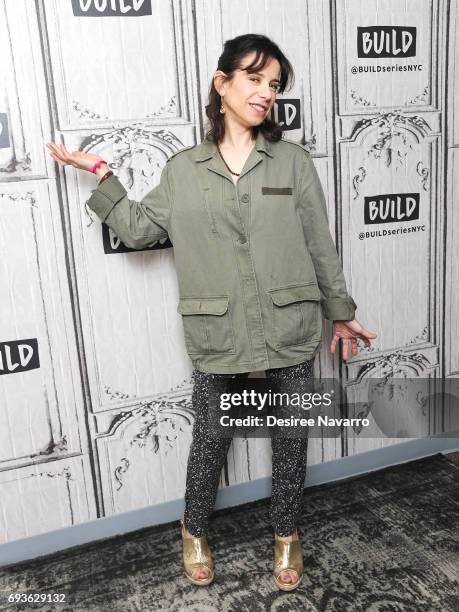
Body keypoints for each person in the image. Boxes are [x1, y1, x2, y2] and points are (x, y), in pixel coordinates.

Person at [46, 33, 377, 591]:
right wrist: (102, 175)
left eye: (274, 84)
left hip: (289, 321)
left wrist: (340, 311)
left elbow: (319, 243)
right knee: (214, 435)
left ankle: (287, 535)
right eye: (254, 79)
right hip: (218, 328)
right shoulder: (184, 170)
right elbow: (138, 228)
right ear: (221, 84)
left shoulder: (292, 163)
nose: (266, 93)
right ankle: (194, 528)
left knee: (291, 435)